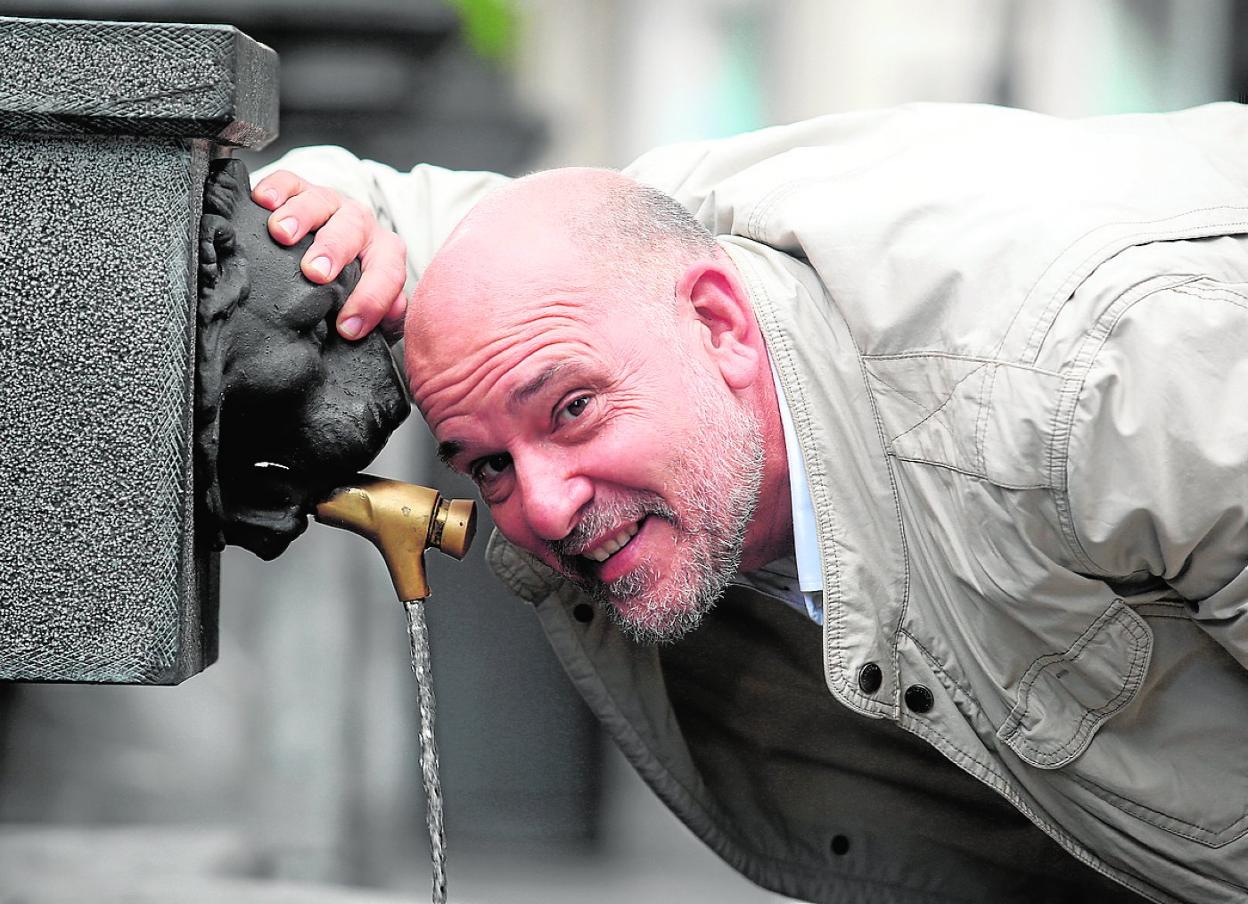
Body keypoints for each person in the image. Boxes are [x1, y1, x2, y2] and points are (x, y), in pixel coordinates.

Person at [249, 102, 1248, 903]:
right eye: (489, 467)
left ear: (720, 327)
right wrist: (320, 209)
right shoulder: (614, 272)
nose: (545, 508)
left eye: (575, 408)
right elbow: (396, 224)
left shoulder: (1114, 388)